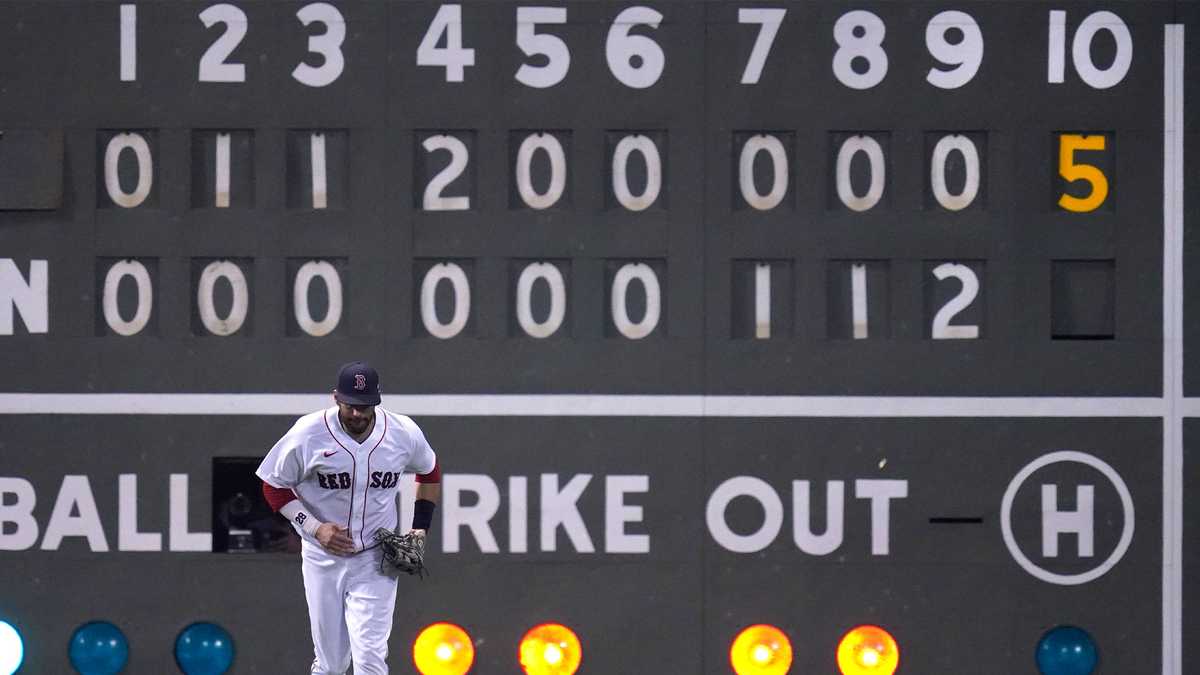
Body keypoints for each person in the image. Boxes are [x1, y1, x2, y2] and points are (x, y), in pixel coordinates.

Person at [256, 361, 441, 674]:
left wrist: (420, 529)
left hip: (375, 558)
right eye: (350, 405)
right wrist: (314, 529)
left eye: (365, 405)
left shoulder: (401, 432)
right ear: (336, 398)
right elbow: (273, 486)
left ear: (377, 400)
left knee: (370, 660)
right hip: (322, 556)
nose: (357, 413)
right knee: (331, 665)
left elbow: (429, 471)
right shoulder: (308, 433)